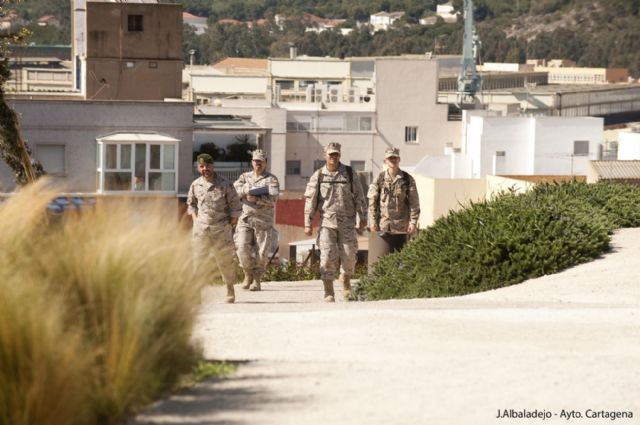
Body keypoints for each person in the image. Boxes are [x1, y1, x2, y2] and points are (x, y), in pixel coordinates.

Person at [304, 142, 367, 302]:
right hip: (327, 224)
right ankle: (328, 290)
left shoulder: (350, 174)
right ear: (325, 155)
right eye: (331, 154)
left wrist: (363, 218)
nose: (333, 157)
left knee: (349, 256)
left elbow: (360, 197)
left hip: (347, 223)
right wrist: (308, 223)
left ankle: (345, 280)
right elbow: (310, 201)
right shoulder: (318, 176)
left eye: (336, 154)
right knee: (327, 257)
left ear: (340, 155)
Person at [187, 153, 242, 303]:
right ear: (198, 167)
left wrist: (231, 224)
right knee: (198, 262)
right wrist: (195, 220)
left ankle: (229, 288)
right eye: (202, 166)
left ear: (213, 166)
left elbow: (236, 206)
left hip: (221, 229)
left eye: (208, 166)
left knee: (224, 261)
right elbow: (191, 204)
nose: (206, 169)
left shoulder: (225, 184)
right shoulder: (195, 184)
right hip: (201, 231)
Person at [233, 149, 280, 291]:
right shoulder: (244, 177)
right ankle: (247, 274)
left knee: (262, 252)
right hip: (246, 219)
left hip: (263, 221)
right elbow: (234, 190)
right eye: (255, 161)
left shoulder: (271, 179)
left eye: (260, 161)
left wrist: (257, 199)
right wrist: (246, 191)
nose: (257, 163)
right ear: (252, 162)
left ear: (265, 162)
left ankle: (257, 280)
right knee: (241, 247)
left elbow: (274, 198)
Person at [367, 147, 420, 267]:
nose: (393, 160)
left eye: (395, 157)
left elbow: (414, 203)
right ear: (385, 160)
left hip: (402, 227)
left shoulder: (407, 179)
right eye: (390, 158)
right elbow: (372, 202)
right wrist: (372, 221)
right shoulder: (379, 179)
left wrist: (413, 222)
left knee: (401, 261)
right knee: (382, 259)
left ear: (399, 159)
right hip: (383, 225)